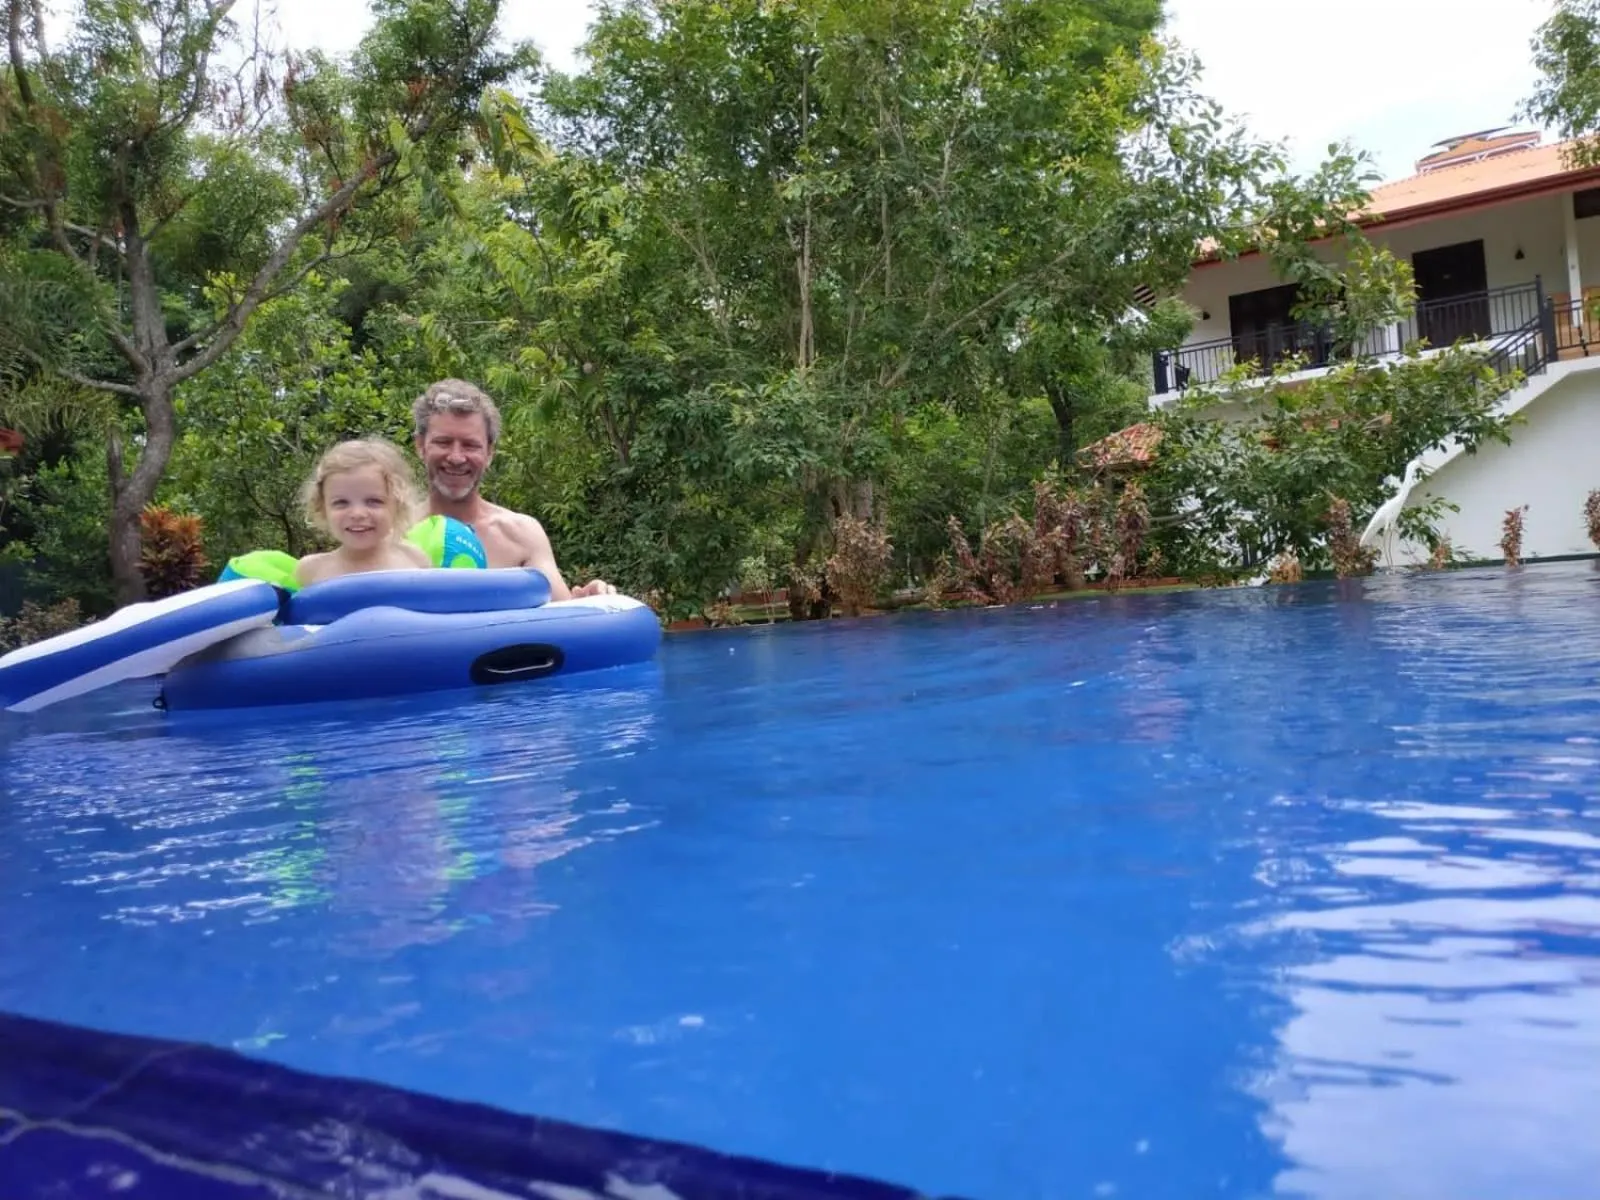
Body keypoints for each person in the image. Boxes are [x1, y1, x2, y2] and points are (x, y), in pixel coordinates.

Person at [410, 379, 615, 599]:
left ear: (490, 453)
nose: (457, 457)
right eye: (443, 442)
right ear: (420, 446)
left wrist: (588, 600)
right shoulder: (392, 534)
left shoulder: (521, 534)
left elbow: (560, 615)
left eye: (470, 445)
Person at [295, 439, 432, 587]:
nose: (357, 514)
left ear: (398, 504)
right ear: (322, 508)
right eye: (341, 503)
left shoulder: (413, 559)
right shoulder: (311, 570)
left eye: (373, 501)